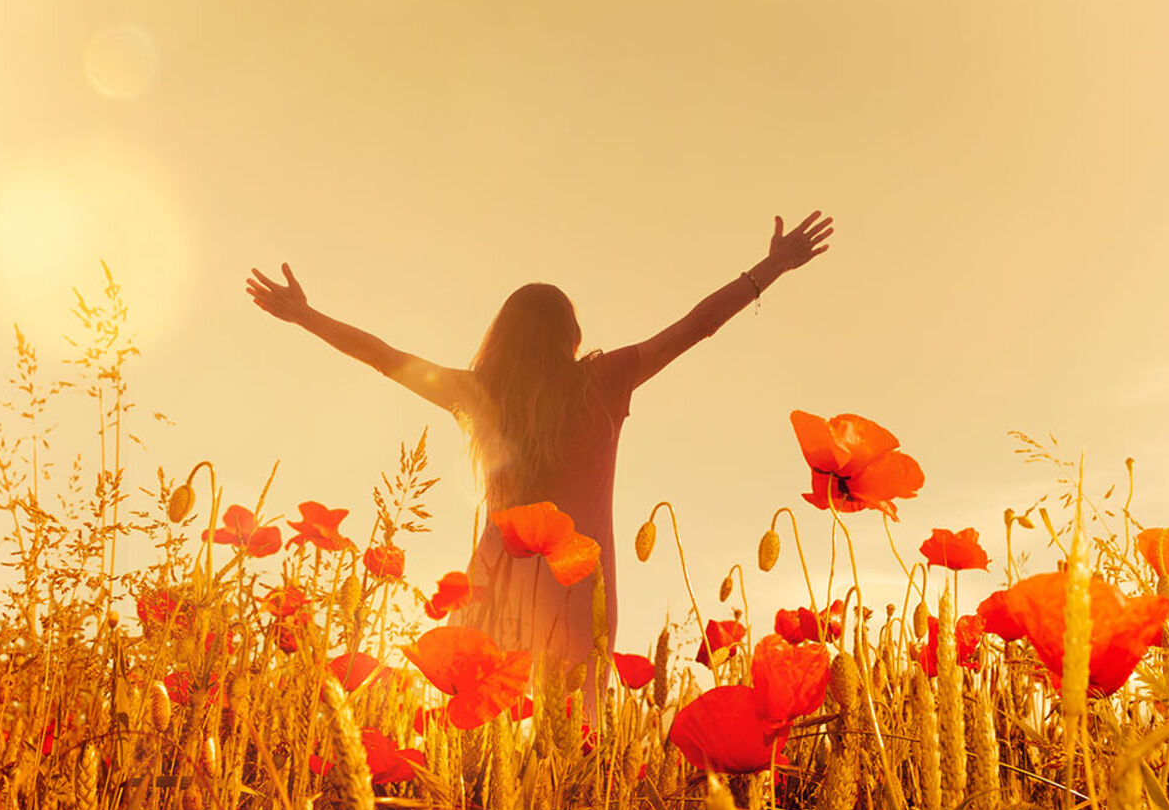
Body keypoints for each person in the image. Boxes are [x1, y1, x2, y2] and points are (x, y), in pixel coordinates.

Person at [245, 210, 834, 708]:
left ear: (502, 337)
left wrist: (306, 316)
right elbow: (696, 326)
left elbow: (384, 356)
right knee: (570, 741)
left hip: (494, 582)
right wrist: (772, 267)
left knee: (480, 720)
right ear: (571, 335)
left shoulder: (481, 393)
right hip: (581, 590)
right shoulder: (606, 380)